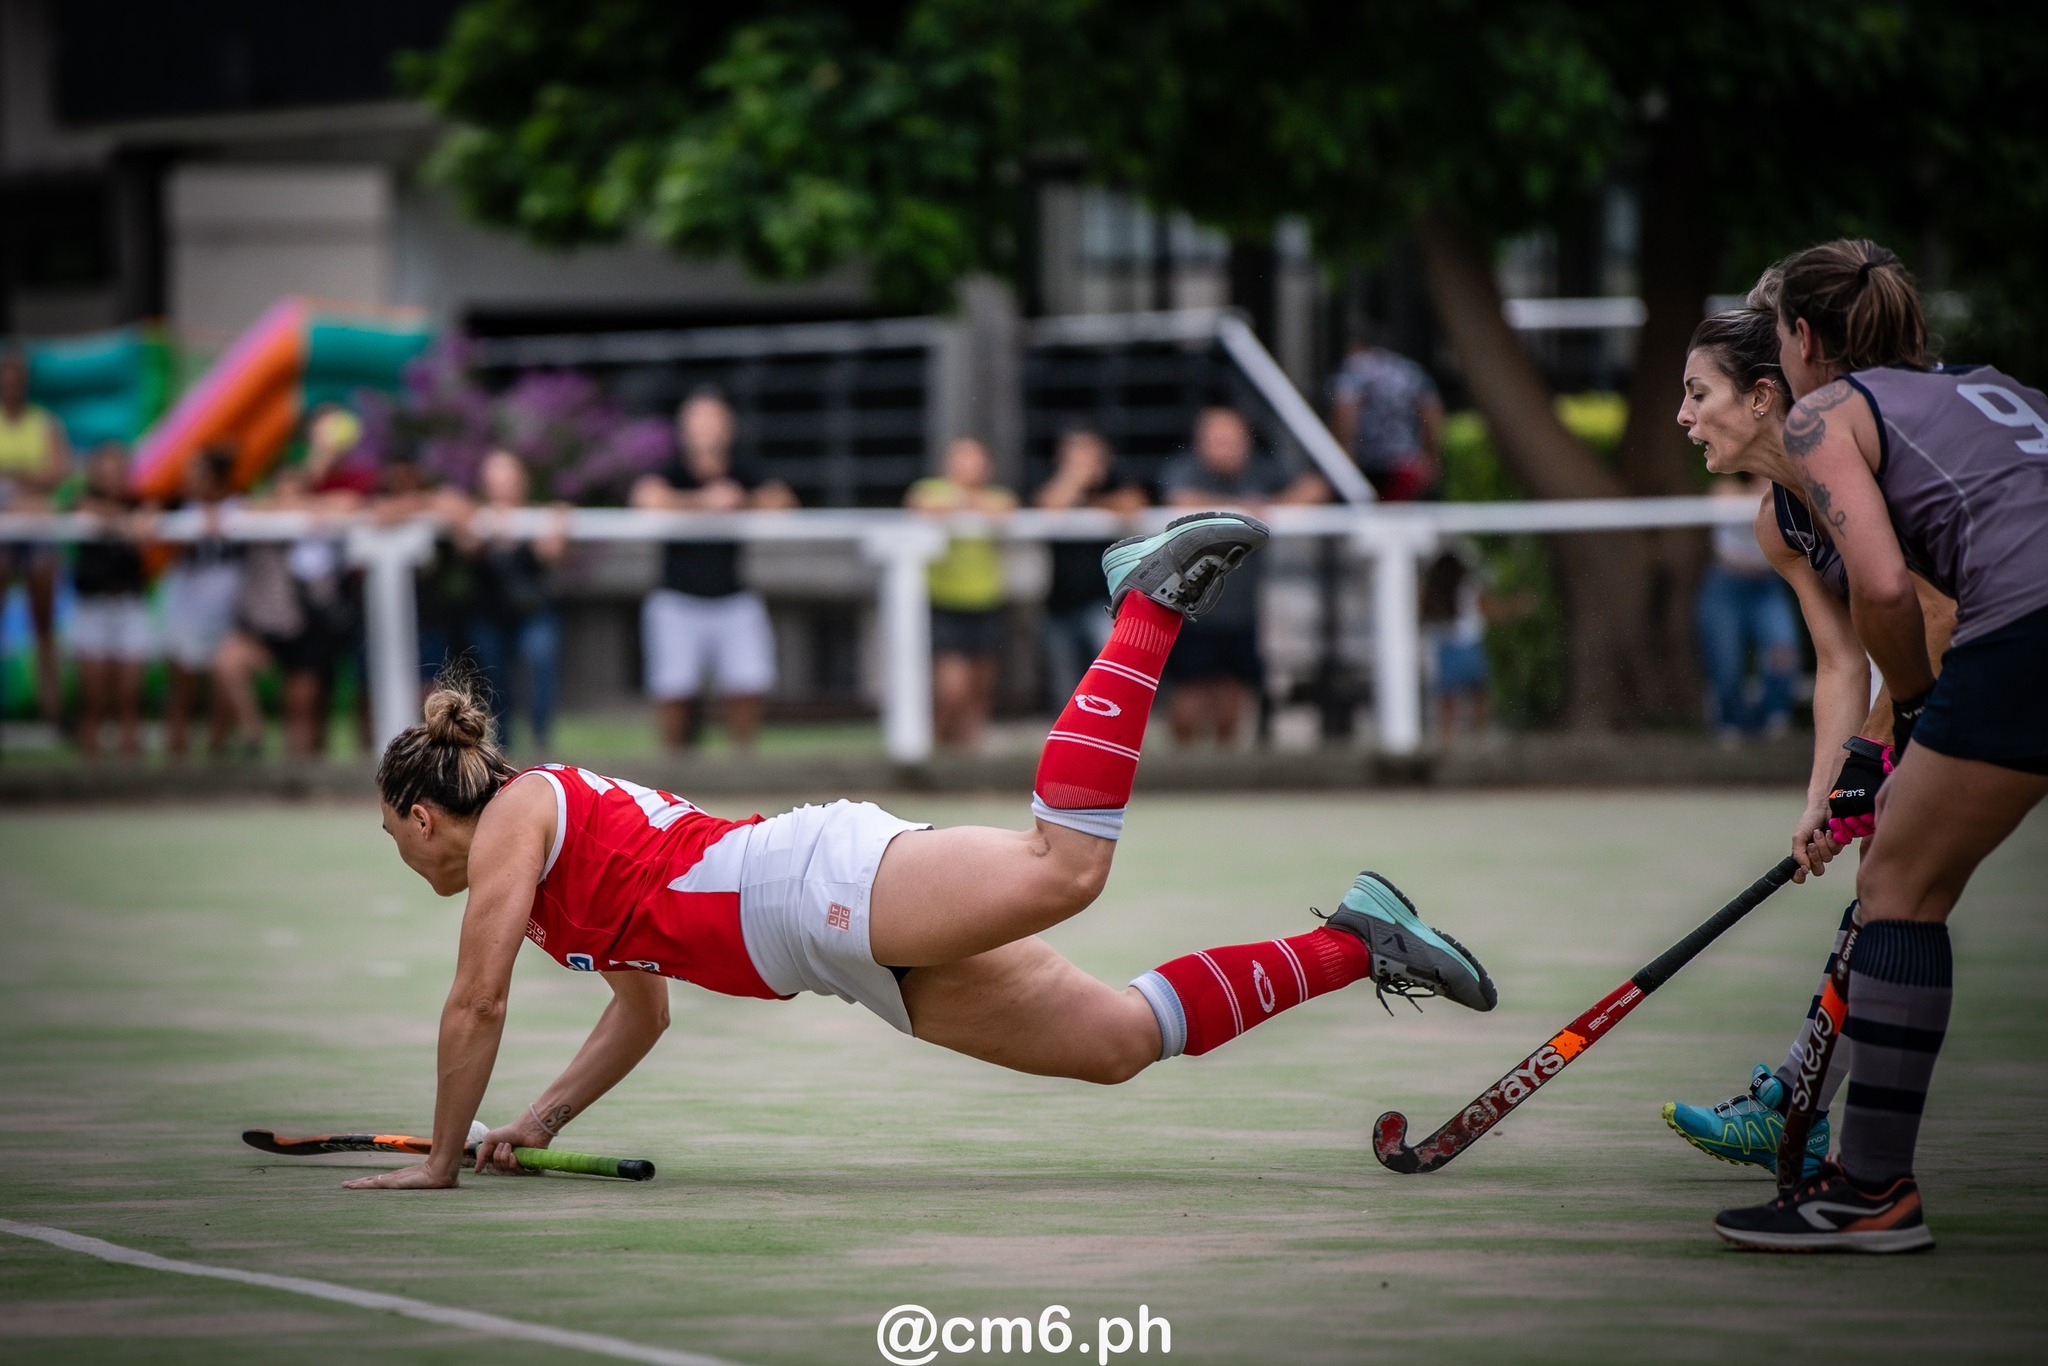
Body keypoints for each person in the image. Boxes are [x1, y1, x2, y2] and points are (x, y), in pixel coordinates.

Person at [335, 511, 1497, 1191]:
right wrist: (536, 1122)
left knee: (1064, 872)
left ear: (425, 816)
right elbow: (641, 1013)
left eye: (398, 840)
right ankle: (1357, 941)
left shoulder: (521, 814)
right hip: (831, 955)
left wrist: (442, 1161)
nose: (407, 860)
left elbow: (472, 1004)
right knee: (1112, 1044)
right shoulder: (549, 888)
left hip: (812, 881)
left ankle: (1141, 605)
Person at [1705, 240, 2048, 1253]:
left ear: (1801, 338)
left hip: (2025, 625)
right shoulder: (1993, 386)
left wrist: (1903, 718)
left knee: (1895, 881)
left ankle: (1867, 1190)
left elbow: (1887, 590)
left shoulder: (1823, 416)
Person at [1664, 302, 1957, 1183]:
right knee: (1886, 884)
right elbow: (1839, 663)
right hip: (1949, 681)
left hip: (1988, 654)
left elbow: (1934, 614)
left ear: (1762, 398)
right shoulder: (1777, 525)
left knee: (1892, 885)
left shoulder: (1852, 464)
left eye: (1696, 391)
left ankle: (1807, 1114)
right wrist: (1825, 792)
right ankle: (1801, 1104)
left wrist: (1869, 764)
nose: (1681, 415)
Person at [630, 390, 795, 753]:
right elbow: (645, 498)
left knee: (747, 682)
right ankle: (673, 771)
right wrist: (701, 503)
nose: (706, 433)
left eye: (713, 424)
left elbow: (782, 500)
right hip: (676, 596)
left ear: (728, 430)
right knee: (673, 687)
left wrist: (741, 501)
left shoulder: (743, 469)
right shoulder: (670, 468)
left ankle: (742, 765)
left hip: (732, 595)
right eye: (698, 424)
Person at [1159, 407, 1327, 745]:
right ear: (1201, 442)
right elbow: (1179, 499)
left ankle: (1222, 772)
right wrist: (1244, 510)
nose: (1225, 447)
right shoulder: (1186, 469)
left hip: (1242, 608)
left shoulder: (1262, 471)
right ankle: (1184, 770)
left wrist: (1273, 507)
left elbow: (1315, 489)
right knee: (1189, 696)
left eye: (1231, 440)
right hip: (1191, 610)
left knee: (1234, 693)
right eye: (1217, 440)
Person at [908, 437, 1019, 750]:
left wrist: (964, 503)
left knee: (980, 688)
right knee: (952, 690)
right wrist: (965, 502)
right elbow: (922, 505)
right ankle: (938, 747)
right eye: (962, 459)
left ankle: (969, 752)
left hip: (986, 602)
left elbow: (1006, 510)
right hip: (945, 602)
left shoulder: (997, 495)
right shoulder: (930, 489)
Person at [459, 450, 567, 751]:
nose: (504, 488)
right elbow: (466, 547)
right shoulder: (475, 520)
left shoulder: (538, 519)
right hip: (490, 615)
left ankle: (541, 738)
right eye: (496, 481)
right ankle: (503, 747)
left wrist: (552, 535)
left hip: (533, 613)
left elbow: (552, 555)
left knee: (540, 661)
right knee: (495, 681)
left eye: (509, 480)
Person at [1032, 429, 1148, 708]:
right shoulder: (1049, 481)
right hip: (1059, 606)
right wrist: (1074, 479)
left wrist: (1091, 502)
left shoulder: (1115, 480)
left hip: (1104, 604)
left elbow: (1134, 504)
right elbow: (1049, 506)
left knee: (1110, 679)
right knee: (1066, 690)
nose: (1082, 461)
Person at [1695, 472, 1801, 744]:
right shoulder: (1727, 487)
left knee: (1783, 649)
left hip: (1767, 586)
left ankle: (1774, 717)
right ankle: (1730, 724)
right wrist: (1763, 487)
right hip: (1727, 585)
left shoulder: (1784, 486)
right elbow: (1725, 502)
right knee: (1726, 661)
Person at [0, 345, 71, 723]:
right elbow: (42, 477)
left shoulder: (44, 424)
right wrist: (26, 483)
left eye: (17, 380)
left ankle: (53, 709)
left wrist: (14, 479)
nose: (11, 387)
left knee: (44, 622)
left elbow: (57, 473)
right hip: (7, 525)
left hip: (34, 525)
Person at [69, 444, 153, 761]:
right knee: (93, 696)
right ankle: (90, 771)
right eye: (105, 471)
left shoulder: (141, 503)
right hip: (92, 605)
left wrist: (132, 520)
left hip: (129, 604)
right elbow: (83, 508)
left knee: (130, 695)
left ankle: (130, 770)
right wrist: (123, 522)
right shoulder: (82, 502)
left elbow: (149, 519)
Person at [159, 448, 243, 761]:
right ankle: (176, 758)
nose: (189, 480)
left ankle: (215, 757)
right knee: (181, 687)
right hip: (186, 606)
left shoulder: (239, 507)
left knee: (223, 689)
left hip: (226, 606)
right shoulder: (178, 508)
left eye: (197, 473)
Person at [1328, 334, 1444, 501]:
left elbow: (1345, 414)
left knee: (1370, 522)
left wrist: (1343, 460)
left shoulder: (1355, 369)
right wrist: (1432, 460)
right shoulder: (1410, 370)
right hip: (1406, 464)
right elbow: (1432, 414)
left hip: (1368, 465)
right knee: (1400, 522)